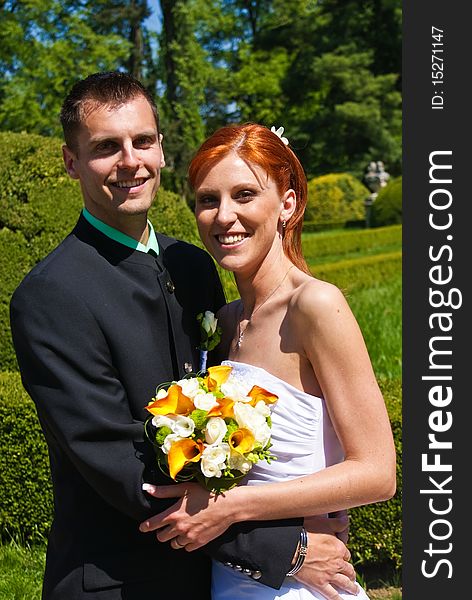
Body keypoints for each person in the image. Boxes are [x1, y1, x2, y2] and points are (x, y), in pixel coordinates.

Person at [9, 74, 356, 599]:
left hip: (213, 578)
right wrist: (286, 549)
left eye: (142, 141)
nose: (130, 161)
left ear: (161, 148)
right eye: (106, 147)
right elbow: (125, 470)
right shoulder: (51, 296)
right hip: (121, 582)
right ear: (71, 162)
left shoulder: (193, 264)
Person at [139, 123, 397, 599]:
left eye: (244, 195)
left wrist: (230, 505)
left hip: (303, 585)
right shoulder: (224, 320)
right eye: (207, 199)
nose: (224, 216)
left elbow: (378, 473)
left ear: (288, 204)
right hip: (234, 577)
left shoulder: (315, 306)